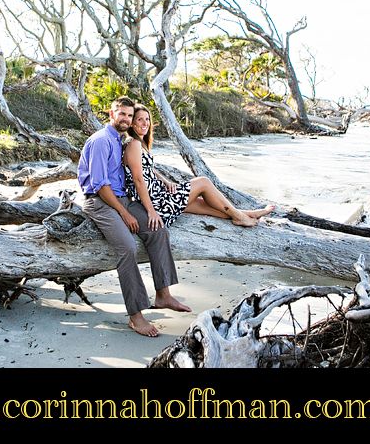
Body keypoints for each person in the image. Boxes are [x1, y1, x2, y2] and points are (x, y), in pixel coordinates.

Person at [77, 96, 191, 337]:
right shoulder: (100, 141)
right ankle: (136, 316)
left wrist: (159, 184)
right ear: (111, 114)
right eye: (122, 114)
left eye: (129, 115)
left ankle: (163, 295)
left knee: (157, 230)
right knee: (128, 247)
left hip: (122, 199)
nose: (126, 119)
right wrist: (124, 213)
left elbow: (141, 170)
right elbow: (99, 186)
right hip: (100, 202)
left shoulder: (121, 140)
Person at [123, 103, 275, 228]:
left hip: (159, 195)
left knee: (205, 207)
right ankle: (242, 216)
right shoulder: (134, 143)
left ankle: (246, 214)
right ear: (132, 123)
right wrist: (151, 211)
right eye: (139, 120)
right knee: (203, 182)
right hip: (156, 203)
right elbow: (138, 179)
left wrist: (166, 181)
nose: (145, 123)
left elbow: (147, 169)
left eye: (147, 119)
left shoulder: (139, 144)